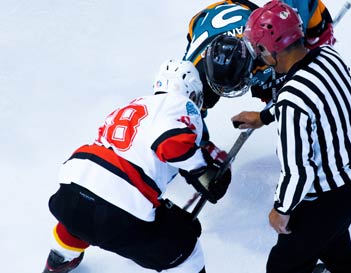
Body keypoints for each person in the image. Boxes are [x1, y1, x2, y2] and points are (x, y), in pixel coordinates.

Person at [41, 60, 232, 273]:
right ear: (193, 93)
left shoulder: (134, 105)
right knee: (186, 249)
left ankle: (58, 260)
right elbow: (170, 143)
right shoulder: (180, 105)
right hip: (116, 213)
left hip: (70, 194)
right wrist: (202, 170)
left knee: (82, 214)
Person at [240, 2, 351, 273]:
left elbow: (298, 173)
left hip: (331, 195)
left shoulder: (292, 101)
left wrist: (281, 209)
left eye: (259, 49)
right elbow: (316, 100)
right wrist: (264, 117)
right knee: (333, 245)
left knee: (282, 265)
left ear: (269, 49)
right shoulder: (329, 56)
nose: (259, 55)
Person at [183, 0, 335, 141]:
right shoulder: (193, 77)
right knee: (191, 108)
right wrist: (203, 149)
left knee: (294, 63)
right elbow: (184, 115)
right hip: (205, 21)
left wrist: (316, 32)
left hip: (242, 14)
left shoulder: (264, 46)